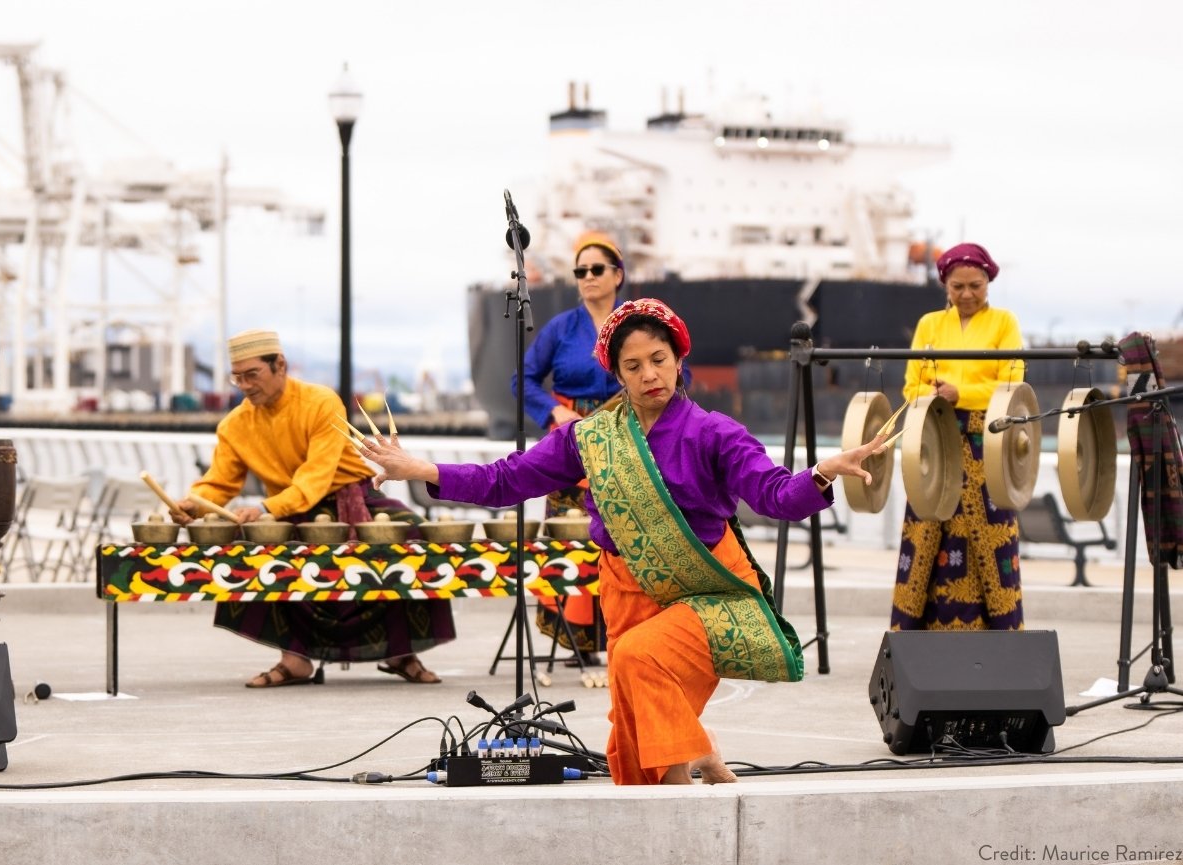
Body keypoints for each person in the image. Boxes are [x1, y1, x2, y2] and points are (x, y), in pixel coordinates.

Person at [360, 299, 887, 784]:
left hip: (706, 593)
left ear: (679, 359)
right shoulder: (590, 437)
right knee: (631, 758)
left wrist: (822, 473)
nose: (649, 374)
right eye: (633, 366)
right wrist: (422, 469)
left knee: (640, 659)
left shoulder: (714, 433)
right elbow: (506, 480)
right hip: (624, 592)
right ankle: (699, 751)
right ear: (616, 374)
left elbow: (774, 494)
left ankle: (681, 800)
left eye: (658, 359)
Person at [171, 329, 454, 688]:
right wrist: (192, 504)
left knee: (415, 540)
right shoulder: (234, 425)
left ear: (280, 365)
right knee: (254, 553)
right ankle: (294, 659)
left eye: (252, 374)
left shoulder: (321, 401)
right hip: (285, 510)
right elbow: (220, 482)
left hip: (349, 496)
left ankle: (401, 651)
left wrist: (265, 507)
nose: (244, 385)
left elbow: (316, 476)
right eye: (237, 377)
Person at [894, 242, 1026, 631]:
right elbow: (911, 386)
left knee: (989, 531)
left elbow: (1012, 382)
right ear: (945, 286)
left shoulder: (1004, 322)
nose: (967, 294)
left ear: (988, 283)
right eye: (958, 287)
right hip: (935, 439)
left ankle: (998, 634)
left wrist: (960, 394)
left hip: (988, 442)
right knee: (927, 531)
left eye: (975, 286)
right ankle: (919, 636)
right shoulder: (929, 324)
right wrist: (936, 398)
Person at [511, 234, 625, 657]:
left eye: (596, 269)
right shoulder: (560, 328)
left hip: (624, 442)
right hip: (569, 444)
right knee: (571, 537)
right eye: (580, 271)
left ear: (618, 275)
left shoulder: (634, 322)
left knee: (622, 533)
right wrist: (553, 411)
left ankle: (625, 635)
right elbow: (522, 379)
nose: (588, 276)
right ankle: (579, 644)